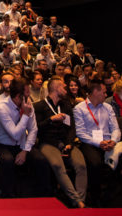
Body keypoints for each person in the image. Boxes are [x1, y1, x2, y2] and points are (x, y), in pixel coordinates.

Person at [73, 79, 122, 205]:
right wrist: (99, 143)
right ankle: (97, 198)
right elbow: (81, 133)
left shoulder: (108, 107)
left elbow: (116, 129)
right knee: (95, 163)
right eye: (104, 92)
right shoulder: (79, 109)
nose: (106, 95)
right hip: (90, 143)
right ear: (95, 92)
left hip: (110, 143)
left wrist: (113, 141)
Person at [34, 76, 87, 208]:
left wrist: (69, 143)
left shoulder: (66, 105)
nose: (66, 89)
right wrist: (50, 119)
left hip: (65, 142)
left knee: (81, 165)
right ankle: (77, 201)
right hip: (48, 143)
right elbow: (36, 129)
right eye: (63, 87)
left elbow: (72, 127)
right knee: (58, 166)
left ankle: (80, 200)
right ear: (56, 88)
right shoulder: (39, 106)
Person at [0, 78, 49, 197]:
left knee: (41, 160)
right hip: (4, 144)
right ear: (18, 96)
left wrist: (25, 150)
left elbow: (33, 129)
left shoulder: (28, 104)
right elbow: (15, 134)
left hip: (22, 144)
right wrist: (25, 115)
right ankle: (8, 197)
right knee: (7, 161)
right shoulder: (2, 107)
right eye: (27, 95)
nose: (29, 98)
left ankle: (40, 197)